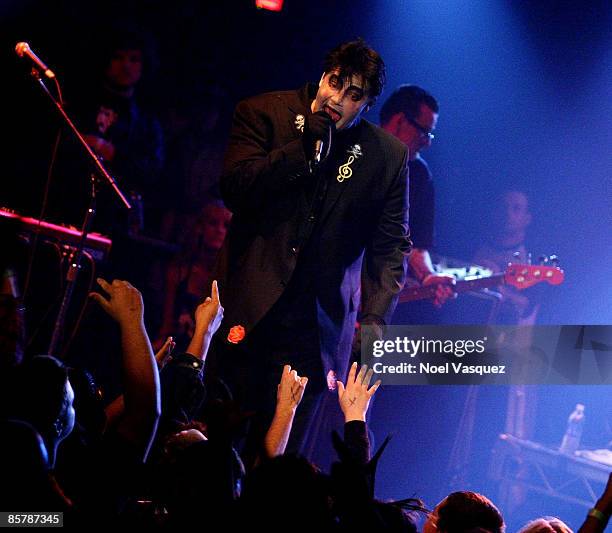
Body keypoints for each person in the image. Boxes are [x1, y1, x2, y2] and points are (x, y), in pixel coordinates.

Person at [207, 39, 411, 459]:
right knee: (213, 446)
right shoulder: (265, 113)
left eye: (353, 95)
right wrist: (299, 151)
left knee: (279, 463)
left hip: (314, 330)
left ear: (367, 105)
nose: (337, 99)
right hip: (248, 305)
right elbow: (235, 189)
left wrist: (373, 325)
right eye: (334, 83)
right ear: (322, 76)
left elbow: (391, 248)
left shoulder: (387, 156)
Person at [380, 85, 454, 308]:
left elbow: (416, 244)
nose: (428, 142)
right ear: (400, 121)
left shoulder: (420, 175)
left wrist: (427, 276)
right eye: (424, 132)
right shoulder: (354, 151)